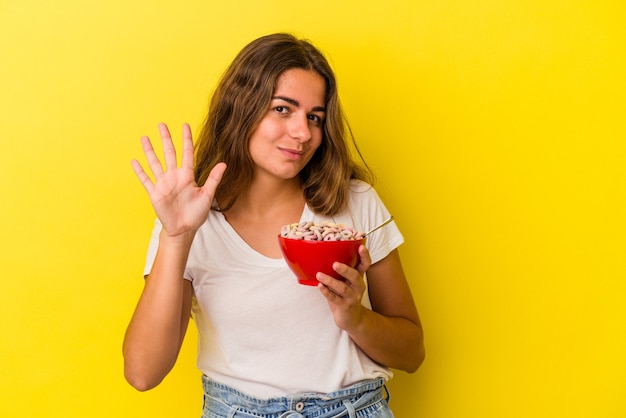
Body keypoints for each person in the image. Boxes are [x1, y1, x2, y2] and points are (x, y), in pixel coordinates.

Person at [123, 32, 425, 418]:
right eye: (283, 109)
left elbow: (413, 353)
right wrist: (176, 237)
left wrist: (356, 317)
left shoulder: (355, 203)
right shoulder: (189, 218)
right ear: (242, 108)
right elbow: (143, 373)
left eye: (314, 117)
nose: (303, 133)